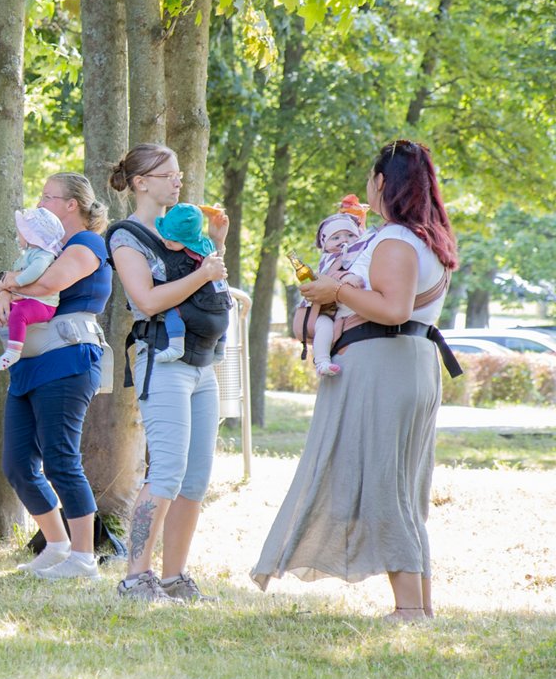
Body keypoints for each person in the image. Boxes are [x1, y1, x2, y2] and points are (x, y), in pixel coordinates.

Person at [252, 140, 459, 622]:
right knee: (403, 487)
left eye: (371, 178)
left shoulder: (395, 241)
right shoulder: (425, 240)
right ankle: (418, 605)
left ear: (382, 182)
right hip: (411, 362)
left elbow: (393, 308)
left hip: (386, 363)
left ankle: (409, 607)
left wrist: (335, 289)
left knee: (384, 485)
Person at [106, 144, 230, 602]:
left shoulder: (187, 232)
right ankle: (137, 577)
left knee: (195, 478)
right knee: (167, 473)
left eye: (178, 173)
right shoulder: (126, 238)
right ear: (140, 183)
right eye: (167, 175)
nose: (178, 181)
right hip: (164, 361)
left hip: (203, 364)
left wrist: (215, 244)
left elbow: (208, 288)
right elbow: (148, 300)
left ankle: (175, 576)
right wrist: (204, 273)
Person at [0, 172, 113, 580]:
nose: (40, 203)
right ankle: (58, 543)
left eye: (48, 197)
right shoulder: (43, 248)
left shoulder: (87, 244)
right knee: (17, 464)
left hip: (67, 357)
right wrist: (4, 289)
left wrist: (5, 287)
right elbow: (17, 284)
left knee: (61, 459)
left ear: (71, 206)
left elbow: (50, 283)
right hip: (29, 360)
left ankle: (84, 558)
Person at [0, 207, 66, 371]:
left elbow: (35, 271)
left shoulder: (44, 254)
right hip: (27, 298)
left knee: (19, 314)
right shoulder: (31, 253)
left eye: (21, 232)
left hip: (44, 304)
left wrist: (14, 283)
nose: (18, 235)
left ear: (31, 235)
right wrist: (5, 287)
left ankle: (13, 351)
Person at [150, 202, 232, 365]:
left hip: (200, 305)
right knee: (225, 312)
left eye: (173, 240)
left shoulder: (181, 259)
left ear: (188, 241)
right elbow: (217, 257)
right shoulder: (208, 246)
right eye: (164, 236)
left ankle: (176, 345)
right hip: (219, 304)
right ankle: (220, 349)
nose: (166, 242)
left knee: (173, 310)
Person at [303, 209, 366, 377]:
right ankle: (322, 362)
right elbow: (329, 276)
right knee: (324, 328)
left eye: (350, 235)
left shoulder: (360, 254)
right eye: (336, 237)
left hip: (344, 312)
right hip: (325, 311)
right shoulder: (329, 258)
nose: (343, 240)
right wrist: (347, 277)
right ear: (325, 244)